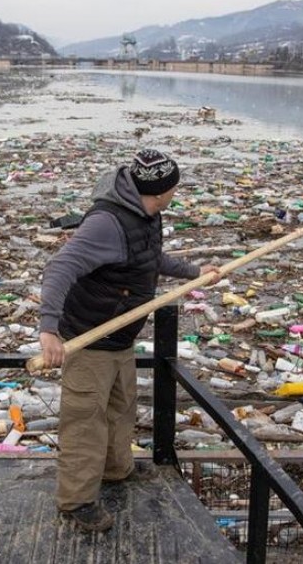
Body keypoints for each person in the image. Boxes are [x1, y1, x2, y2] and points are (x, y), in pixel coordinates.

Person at [39, 148, 220, 532]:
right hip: (90, 339)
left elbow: (148, 258)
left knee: (120, 410)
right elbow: (60, 267)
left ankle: (115, 471)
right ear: (163, 190)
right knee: (85, 421)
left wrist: (193, 272)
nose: (176, 193)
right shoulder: (107, 223)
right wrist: (48, 330)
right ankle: (76, 502)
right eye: (175, 188)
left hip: (120, 336)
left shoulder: (147, 214)